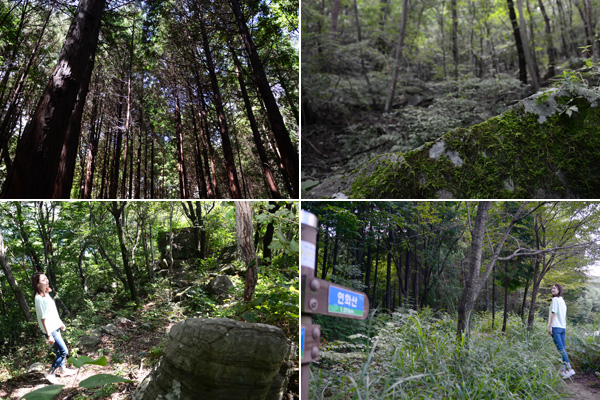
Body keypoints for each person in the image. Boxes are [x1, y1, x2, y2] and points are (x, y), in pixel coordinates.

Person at [31, 272, 75, 383]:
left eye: (46, 278)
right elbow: (43, 318)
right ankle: (50, 372)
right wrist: (49, 335)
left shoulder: (45, 294)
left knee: (59, 351)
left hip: (55, 326)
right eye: (43, 280)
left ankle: (63, 370)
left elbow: (52, 312)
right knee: (64, 351)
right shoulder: (39, 299)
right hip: (50, 330)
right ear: (37, 284)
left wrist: (60, 322)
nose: (46, 280)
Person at [548, 283, 576, 379]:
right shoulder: (562, 301)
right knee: (562, 349)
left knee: (561, 349)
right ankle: (563, 370)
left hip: (556, 327)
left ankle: (569, 369)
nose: (552, 289)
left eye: (555, 288)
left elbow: (554, 313)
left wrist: (550, 326)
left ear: (559, 290)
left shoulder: (555, 300)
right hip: (563, 328)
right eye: (552, 288)